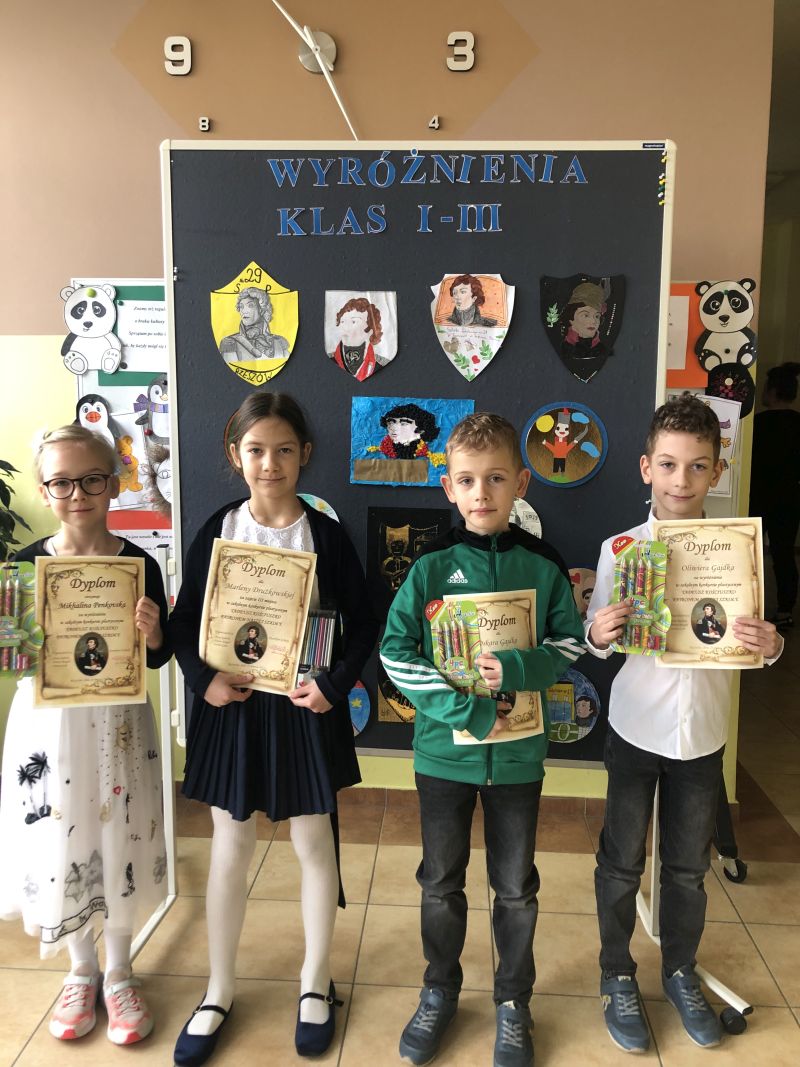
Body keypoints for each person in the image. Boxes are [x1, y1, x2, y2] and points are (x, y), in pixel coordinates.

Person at [169, 392, 377, 1065]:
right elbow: (182, 623)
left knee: (313, 843)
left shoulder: (326, 535)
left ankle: (315, 980)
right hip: (232, 708)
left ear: (304, 455)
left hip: (303, 707)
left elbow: (364, 623)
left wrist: (334, 685)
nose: (270, 463)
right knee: (230, 847)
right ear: (236, 455)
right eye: (256, 450)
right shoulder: (219, 528)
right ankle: (218, 988)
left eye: (284, 449)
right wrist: (203, 680)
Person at [380, 412, 585, 1067]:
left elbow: (570, 643)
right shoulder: (431, 567)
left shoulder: (543, 566)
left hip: (519, 760)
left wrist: (520, 668)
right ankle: (439, 990)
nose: (482, 492)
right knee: (440, 882)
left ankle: (513, 1002)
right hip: (444, 757)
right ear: (449, 487)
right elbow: (395, 651)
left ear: (521, 482)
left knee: (516, 887)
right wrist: (462, 710)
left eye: (496, 478)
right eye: (467, 480)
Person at [585, 393, 782, 1053]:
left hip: (702, 737)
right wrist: (598, 631)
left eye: (698, 466)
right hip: (635, 728)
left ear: (716, 471)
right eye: (668, 464)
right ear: (646, 467)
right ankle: (617, 972)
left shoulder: (740, 551)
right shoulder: (620, 549)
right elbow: (598, 641)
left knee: (688, 868)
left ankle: (679, 969)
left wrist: (772, 643)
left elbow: (763, 641)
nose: (681, 480)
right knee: (621, 860)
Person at [0, 425, 171, 1046]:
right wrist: (18, 636)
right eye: (62, 482)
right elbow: (13, 659)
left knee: (119, 831)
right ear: (44, 489)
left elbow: (159, 657)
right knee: (61, 832)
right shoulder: (24, 566)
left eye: (92, 480)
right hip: (50, 727)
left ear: (115, 484)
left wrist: (154, 632)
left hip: (118, 725)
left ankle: (120, 970)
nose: (78, 494)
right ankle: (81, 969)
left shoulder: (139, 565)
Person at [749, 361, 800, 630]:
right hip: (790, 499)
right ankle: (785, 611)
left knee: (751, 553)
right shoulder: (798, 424)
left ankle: (748, 606)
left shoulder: (757, 424)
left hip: (757, 497)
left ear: (772, 391)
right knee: (784, 555)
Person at [219, 287, 290, 365]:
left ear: (261, 310)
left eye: (250, 305)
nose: (244, 311)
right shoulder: (230, 343)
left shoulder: (279, 341)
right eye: (241, 307)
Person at [331, 296, 384, 380]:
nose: (345, 327)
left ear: (370, 329)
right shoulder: (331, 359)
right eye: (343, 321)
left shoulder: (380, 363)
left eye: (353, 321)